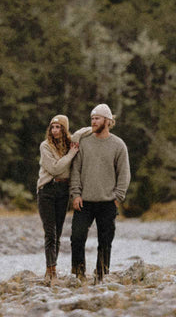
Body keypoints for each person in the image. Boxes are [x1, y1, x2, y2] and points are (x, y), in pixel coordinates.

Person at [70, 103, 131, 283]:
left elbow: (124, 173)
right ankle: (79, 275)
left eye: (96, 118)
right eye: (92, 118)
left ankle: (101, 275)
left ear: (107, 120)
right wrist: (75, 194)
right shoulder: (84, 142)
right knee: (77, 237)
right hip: (84, 201)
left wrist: (118, 197)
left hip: (107, 202)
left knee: (105, 242)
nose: (93, 121)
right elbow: (75, 170)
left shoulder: (118, 145)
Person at [37, 115, 91, 283]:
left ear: (64, 129)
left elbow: (84, 131)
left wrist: (100, 124)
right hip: (47, 190)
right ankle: (50, 270)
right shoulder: (45, 146)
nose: (55, 130)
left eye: (59, 127)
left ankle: (53, 268)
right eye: (52, 127)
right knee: (50, 233)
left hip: (63, 190)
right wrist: (71, 154)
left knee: (58, 232)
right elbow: (55, 168)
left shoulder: (69, 143)